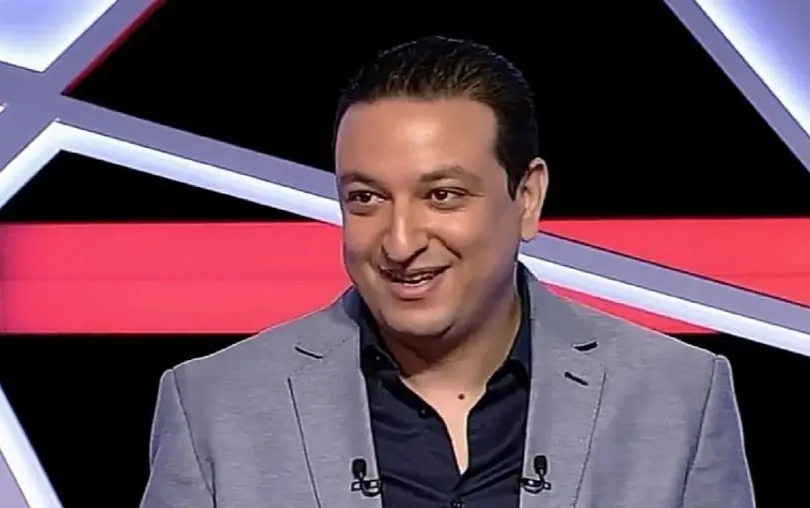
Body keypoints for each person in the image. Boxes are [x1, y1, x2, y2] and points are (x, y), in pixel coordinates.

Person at [140, 36, 754, 508]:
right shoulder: (213, 406)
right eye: (366, 198)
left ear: (528, 198)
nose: (400, 242)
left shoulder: (678, 395)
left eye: (443, 196)